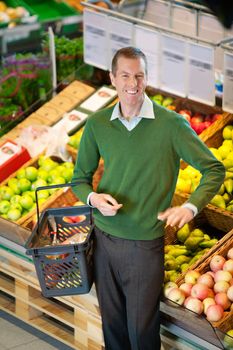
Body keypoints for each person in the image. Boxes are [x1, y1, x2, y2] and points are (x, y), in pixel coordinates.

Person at [72, 46, 225, 350]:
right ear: (113, 79)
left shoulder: (171, 125)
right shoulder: (98, 124)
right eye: (125, 76)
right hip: (102, 241)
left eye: (139, 76)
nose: (133, 83)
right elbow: (79, 180)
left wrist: (191, 206)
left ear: (146, 78)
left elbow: (214, 169)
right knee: (113, 330)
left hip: (144, 246)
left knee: (142, 333)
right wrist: (93, 199)